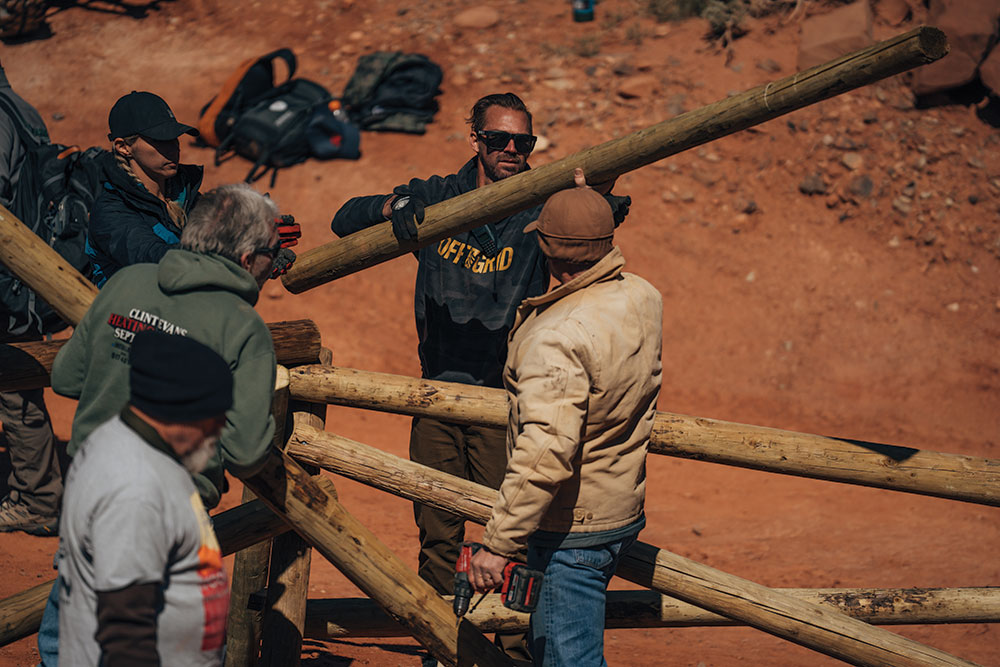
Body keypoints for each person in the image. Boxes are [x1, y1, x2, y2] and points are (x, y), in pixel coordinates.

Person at [330, 93, 632, 602]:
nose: (511, 149)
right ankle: (441, 648)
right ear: (475, 139)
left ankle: (508, 655)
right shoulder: (439, 194)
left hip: (507, 399)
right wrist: (393, 206)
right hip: (437, 395)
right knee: (438, 539)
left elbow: (602, 213)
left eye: (523, 141)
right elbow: (344, 220)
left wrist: (596, 187)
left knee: (508, 540)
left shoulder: (545, 198)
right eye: (498, 139)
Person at [469, 170, 663, 666]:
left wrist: (498, 544)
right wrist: (585, 203)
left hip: (570, 529)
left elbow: (545, 451)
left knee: (566, 658)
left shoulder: (555, 335)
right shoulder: (641, 296)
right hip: (621, 507)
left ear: (547, 248)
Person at [52, 182, 280, 509]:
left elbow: (65, 378)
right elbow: (246, 452)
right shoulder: (243, 326)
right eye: (272, 251)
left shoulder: (125, 281)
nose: (274, 263)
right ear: (247, 260)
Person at [58, 330, 232, 666]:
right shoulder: (134, 490)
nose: (219, 429)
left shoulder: (135, 449)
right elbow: (126, 632)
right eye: (215, 415)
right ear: (182, 410)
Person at [0, 60, 61, 536]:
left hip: (8, 283)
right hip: (22, 279)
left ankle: (39, 501)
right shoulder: (18, 108)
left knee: (15, 388)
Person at [86, 90, 203, 287]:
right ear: (124, 147)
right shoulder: (111, 212)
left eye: (174, 137)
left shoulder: (184, 193)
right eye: (160, 139)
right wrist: (226, 248)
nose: (174, 148)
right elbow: (155, 260)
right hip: (129, 315)